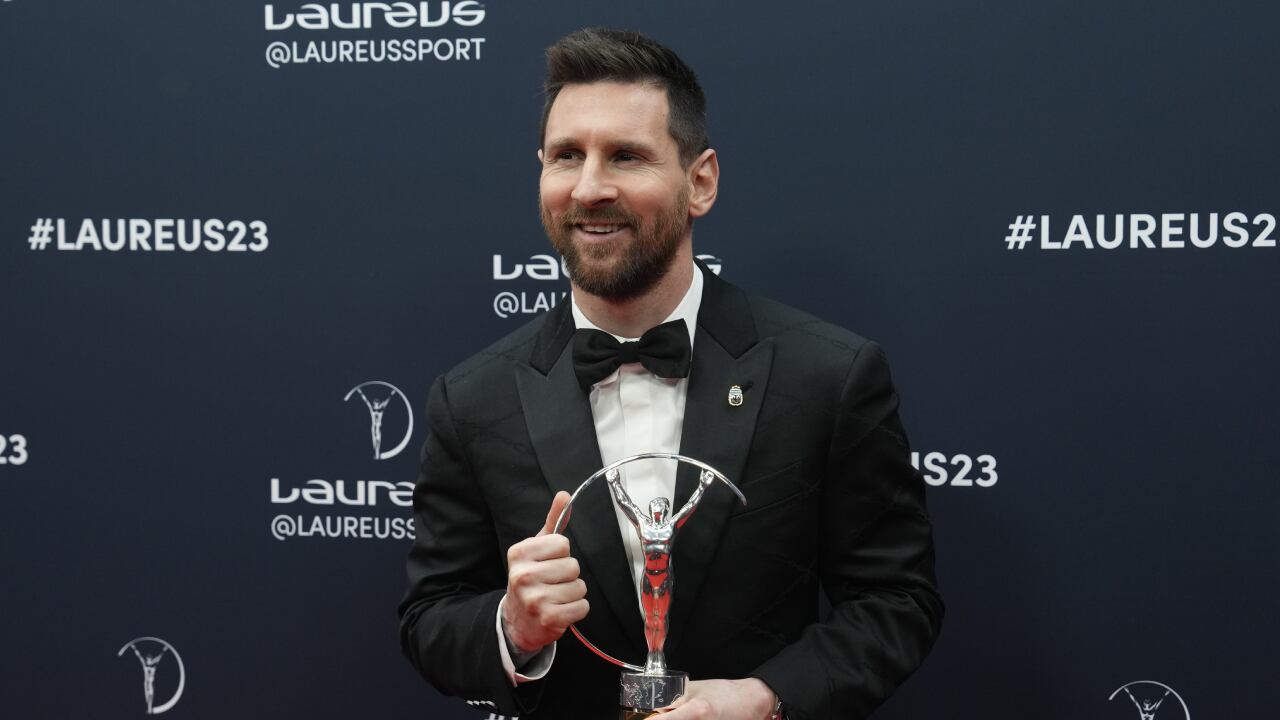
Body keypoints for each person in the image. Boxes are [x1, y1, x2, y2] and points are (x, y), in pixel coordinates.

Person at [399, 27, 943, 720]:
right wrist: (512, 629)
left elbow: (898, 602)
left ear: (700, 181)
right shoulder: (472, 397)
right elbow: (429, 618)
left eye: (626, 156)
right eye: (567, 156)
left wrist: (765, 699)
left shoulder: (829, 375)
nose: (590, 187)